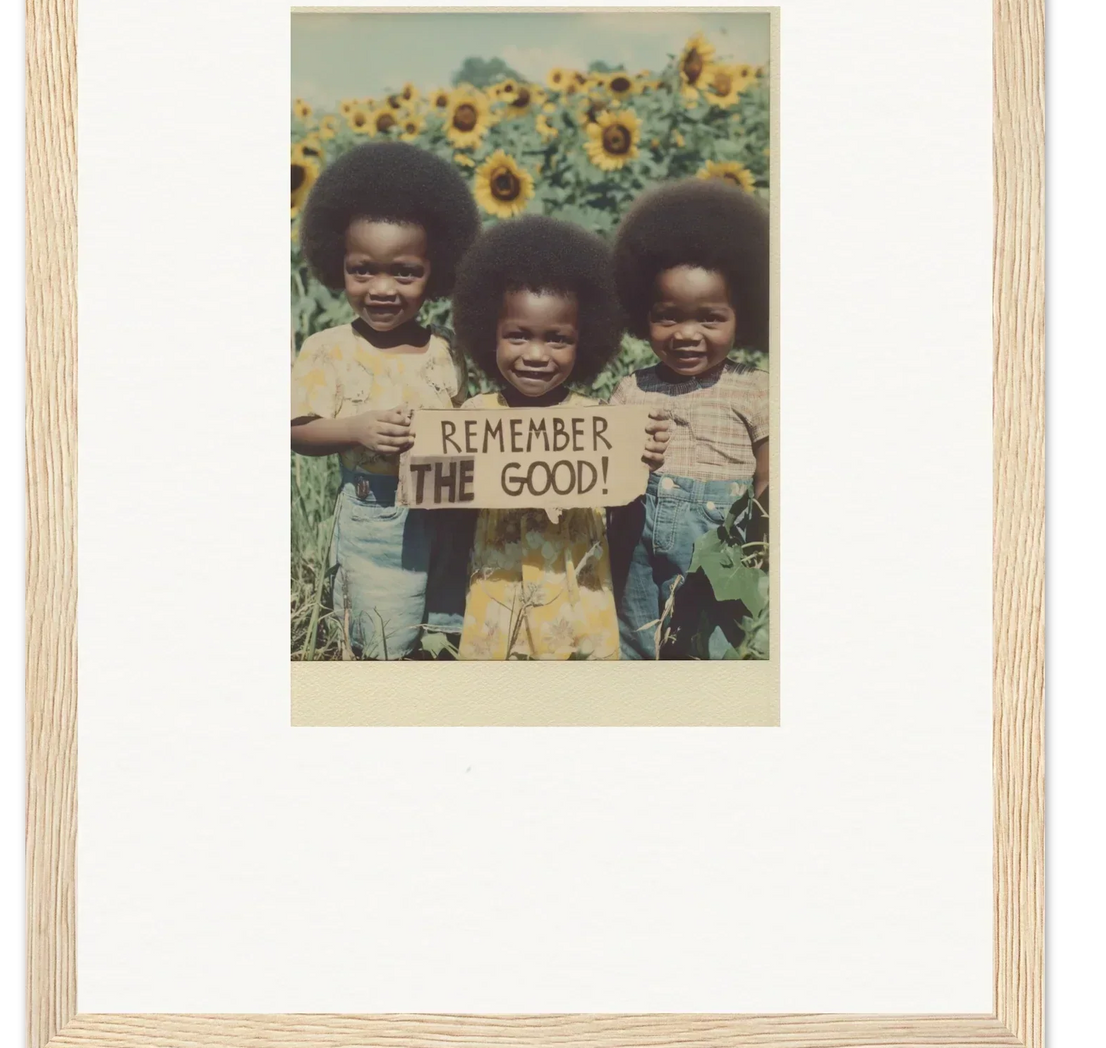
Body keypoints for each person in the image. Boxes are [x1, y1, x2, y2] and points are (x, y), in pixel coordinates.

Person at [291, 141, 479, 659]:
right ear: (338, 264)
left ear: (435, 272)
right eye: (362, 271)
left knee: (447, 630)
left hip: (448, 508)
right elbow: (296, 430)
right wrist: (356, 429)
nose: (382, 289)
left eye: (405, 272)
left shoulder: (446, 347)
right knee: (381, 637)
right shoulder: (327, 349)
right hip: (376, 517)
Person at [450, 217, 668, 661]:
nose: (535, 355)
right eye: (518, 336)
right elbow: (449, 501)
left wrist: (641, 454)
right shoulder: (475, 416)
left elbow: (622, 504)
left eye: (557, 340)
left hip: (577, 596)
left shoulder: (599, 419)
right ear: (489, 332)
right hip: (499, 594)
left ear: (584, 341)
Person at [608, 179, 771, 659]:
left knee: (711, 650)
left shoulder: (755, 387)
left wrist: (761, 544)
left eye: (709, 319)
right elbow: (603, 469)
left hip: (720, 551)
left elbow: (770, 472)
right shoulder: (631, 389)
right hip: (635, 548)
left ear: (744, 317)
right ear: (643, 315)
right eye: (668, 316)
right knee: (634, 642)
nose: (686, 334)